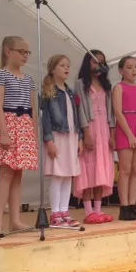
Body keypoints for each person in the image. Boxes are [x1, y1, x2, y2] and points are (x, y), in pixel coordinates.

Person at [0, 36, 38, 238]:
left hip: (24, 125)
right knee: (6, 174)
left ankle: (15, 220)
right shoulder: (0, 75)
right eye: (21, 51)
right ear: (8, 51)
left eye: (27, 53)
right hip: (8, 123)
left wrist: (33, 133)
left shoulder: (29, 79)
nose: (25, 56)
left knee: (18, 175)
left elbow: (32, 108)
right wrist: (4, 132)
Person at [73, 50, 115, 224]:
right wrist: (86, 133)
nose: (98, 66)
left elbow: (111, 112)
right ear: (87, 63)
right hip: (90, 128)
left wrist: (112, 134)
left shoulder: (107, 86)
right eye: (95, 62)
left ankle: (98, 210)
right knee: (88, 170)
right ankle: (88, 211)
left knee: (101, 169)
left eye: (101, 63)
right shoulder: (80, 84)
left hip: (104, 129)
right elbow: (80, 110)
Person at [40, 54, 82, 227]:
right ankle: (55, 213)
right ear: (52, 69)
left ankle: (65, 211)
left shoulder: (70, 92)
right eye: (62, 65)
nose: (66, 68)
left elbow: (76, 118)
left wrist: (79, 137)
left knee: (68, 176)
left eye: (68, 65)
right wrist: (49, 141)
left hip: (71, 137)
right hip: (57, 137)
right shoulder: (48, 92)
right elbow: (46, 119)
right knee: (58, 175)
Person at [113, 56, 136, 221]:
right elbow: (118, 112)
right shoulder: (119, 88)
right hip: (125, 130)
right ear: (121, 70)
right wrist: (129, 135)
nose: (133, 70)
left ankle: (132, 204)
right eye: (129, 67)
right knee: (125, 170)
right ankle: (124, 206)